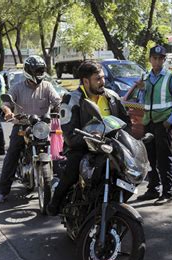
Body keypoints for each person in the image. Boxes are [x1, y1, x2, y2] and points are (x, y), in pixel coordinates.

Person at [46, 60, 131, 216]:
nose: (102, 82)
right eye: (97, 79)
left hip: (111, 147)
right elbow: (70, 134)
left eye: (103, 78)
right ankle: (55, 202)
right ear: (85, 81)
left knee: (130, 175)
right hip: (83, 148)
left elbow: (127, 124)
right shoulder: (71, 99)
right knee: (72, 171)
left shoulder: (112, 97)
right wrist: (89, 139)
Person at [0, 56, 61, 203]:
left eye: (41, 70)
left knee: (59, 152)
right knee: (12, 153)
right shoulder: (18, 87)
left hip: (42, 126)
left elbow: (57, 101)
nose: (38, 73)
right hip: (22, 125)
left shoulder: (47, 86)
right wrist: (8, 111)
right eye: (36, 70)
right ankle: (2, 191)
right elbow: (6, 102)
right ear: (29, 71)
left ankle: (60, 185)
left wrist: (61, 108)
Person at [134, 45, 172, 206]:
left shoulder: (171, 77)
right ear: (150, 59)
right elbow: (141, 100)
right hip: (148, 122)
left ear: (164, 60)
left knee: (164, 159)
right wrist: (140, 89)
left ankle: (167, 192)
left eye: (160, 58)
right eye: (154, 58)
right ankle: (153, 188)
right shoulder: (145, 76)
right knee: (149, 159)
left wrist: (169, 121)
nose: (157, 61)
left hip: (163, 124)